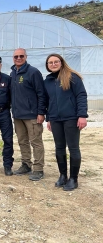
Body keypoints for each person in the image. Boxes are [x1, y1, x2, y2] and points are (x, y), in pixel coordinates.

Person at [44, 54, 87, 191]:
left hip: (71, 118)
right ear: (47, 65)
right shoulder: (48, 81)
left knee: (73, 148)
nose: (53, 64)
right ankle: (63, 175)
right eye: (50, 62)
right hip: (55, 119)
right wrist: (49, 118)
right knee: (59, 147)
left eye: (56, 61)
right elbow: (48, 101)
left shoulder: (72, 77)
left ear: (61, 63)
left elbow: (81, 95)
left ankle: (73, 179)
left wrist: (82, 115)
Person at [10, 48, 47, 181]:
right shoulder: (13, 72)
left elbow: (41, 93)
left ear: (26, 57)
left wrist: (41, 112)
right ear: (13, 58)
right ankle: (26, 164)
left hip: (32, 115)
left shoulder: (33, 72)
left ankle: (38, 168)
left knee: (36, 141)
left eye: (21, 56)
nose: (18, 58)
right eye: (16, 56)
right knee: (22, 141)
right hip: (18, 115)